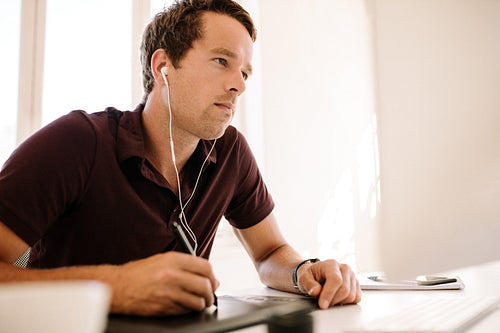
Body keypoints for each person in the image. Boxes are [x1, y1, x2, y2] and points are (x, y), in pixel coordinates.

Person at [0, 0, 361, 316]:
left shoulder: (231, 152)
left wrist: (303, 272)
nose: (240, 85)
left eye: (245, 72)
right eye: (222, 61)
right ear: (163, 67)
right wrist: (116, 286)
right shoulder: (77, 141)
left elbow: (270, 252)